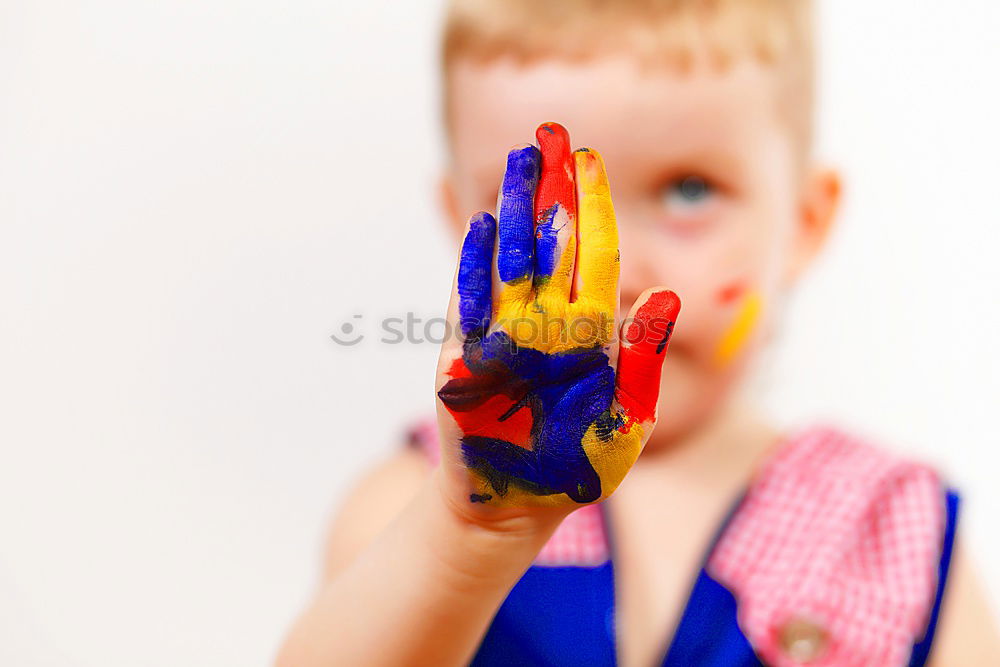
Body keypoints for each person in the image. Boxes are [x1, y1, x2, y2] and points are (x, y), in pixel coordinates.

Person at [278, 1, 1000, 664]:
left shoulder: (892, 533)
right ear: (462, 220)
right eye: (543, 204)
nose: (614, 269)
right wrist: (468, 539)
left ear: (804, 222)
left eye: (689, 189)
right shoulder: (411, 508)